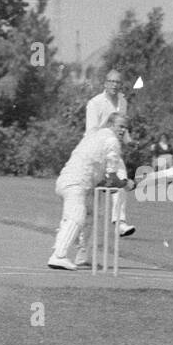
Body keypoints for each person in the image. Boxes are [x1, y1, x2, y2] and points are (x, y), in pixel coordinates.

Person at [48, 113, 133, 271]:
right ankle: (58, 256)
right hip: (77, 183)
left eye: (125, 127)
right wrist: (126, 183)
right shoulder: (112, 141)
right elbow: (112, 179)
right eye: (120, 126)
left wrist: (119, 184)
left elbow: (103, 180)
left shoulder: (94, 136)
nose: (123, 130)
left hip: (72, 181)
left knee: (90, 215)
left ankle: (81, 257)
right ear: (110, 124)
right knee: (76, 215)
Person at [85, 69, 134, 236]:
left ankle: (120, 223)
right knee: (92, 200)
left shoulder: (123, 101)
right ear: (105, 83)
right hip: (96, 152)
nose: (114, 85)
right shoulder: (95, 103)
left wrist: (128, 139)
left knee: (121, 179)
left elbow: (122, 125)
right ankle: (82, 239)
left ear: (121, 85)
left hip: (114, 150)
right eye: (111, 82)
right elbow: (90, 131)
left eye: (117, 82)